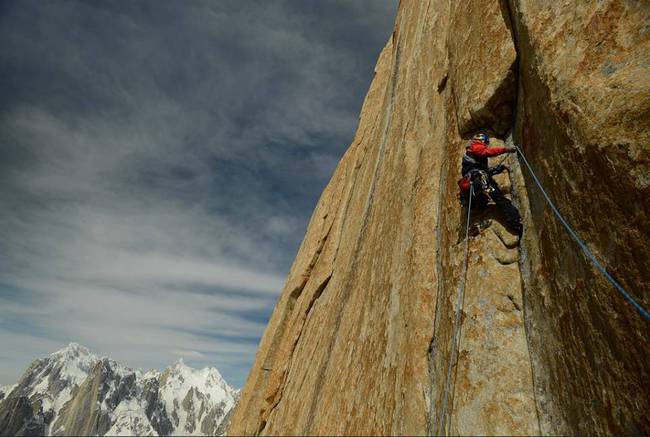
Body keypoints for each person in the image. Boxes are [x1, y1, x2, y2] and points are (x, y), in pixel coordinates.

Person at [458, 133, 523, 235]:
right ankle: (515, 222)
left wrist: (499, 168)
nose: (486, 145)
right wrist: (506, 149)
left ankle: (478, 220)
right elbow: (485, 153)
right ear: (482, 140)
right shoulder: (476, 146)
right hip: (480, 180)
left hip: (471, 185)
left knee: (481, 204)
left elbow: (481, 169)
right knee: (499, 198)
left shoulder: (469, 156)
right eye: (486, 143)